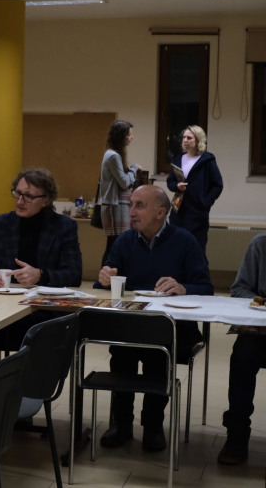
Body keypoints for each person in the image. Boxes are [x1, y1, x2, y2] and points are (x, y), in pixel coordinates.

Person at [97, 185, 211, 452]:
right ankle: (121, 423)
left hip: (173, 328)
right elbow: (106, 281)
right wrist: (104, 278)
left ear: (160, 213)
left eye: (139, 206)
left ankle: (153, 425)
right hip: (131, 325)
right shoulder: (124, 241)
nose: (131, 212)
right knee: (121, 353)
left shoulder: (185, 241)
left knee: (157, 354)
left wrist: (184, 288)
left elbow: (205, 287)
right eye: (131, 205)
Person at [0, 168, 82, 377]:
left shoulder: (63, 227)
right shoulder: (0, 224)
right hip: (4, 312)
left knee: (43, 338)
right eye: (17, 193)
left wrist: (41, 275)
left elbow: (74, 274)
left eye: (28, 196)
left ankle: (21, 390)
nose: (20, 201)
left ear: (45, 200)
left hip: (43, 314)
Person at [217, 233, 266, 465]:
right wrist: (261, 303)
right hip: (260, 330)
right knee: (242, 356)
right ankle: (237, 433)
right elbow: (239, 289)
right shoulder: (260, 244)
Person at [166, 125, 223, 255]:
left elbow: (217, 185)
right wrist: (177, 186)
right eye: (184, 137)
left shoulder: (207, 160)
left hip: (197, 212)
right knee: (176, 248)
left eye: (189, 138)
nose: (185, 140)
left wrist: (206, 203)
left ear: (198, 140)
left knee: (196, 250)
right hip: (178, 211)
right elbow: (170, 182)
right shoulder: (178, 158)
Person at [99, 120, 142, 266]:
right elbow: (124, 182)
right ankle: (106, 273)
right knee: (114, 244)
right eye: (129, 135)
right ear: (121, 136)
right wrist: (134, 169)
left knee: (116, 244)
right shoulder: (113, 156)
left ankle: (113, 273)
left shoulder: (113, 154)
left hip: (117, 204)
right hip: (115, 205)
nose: (131, 137)